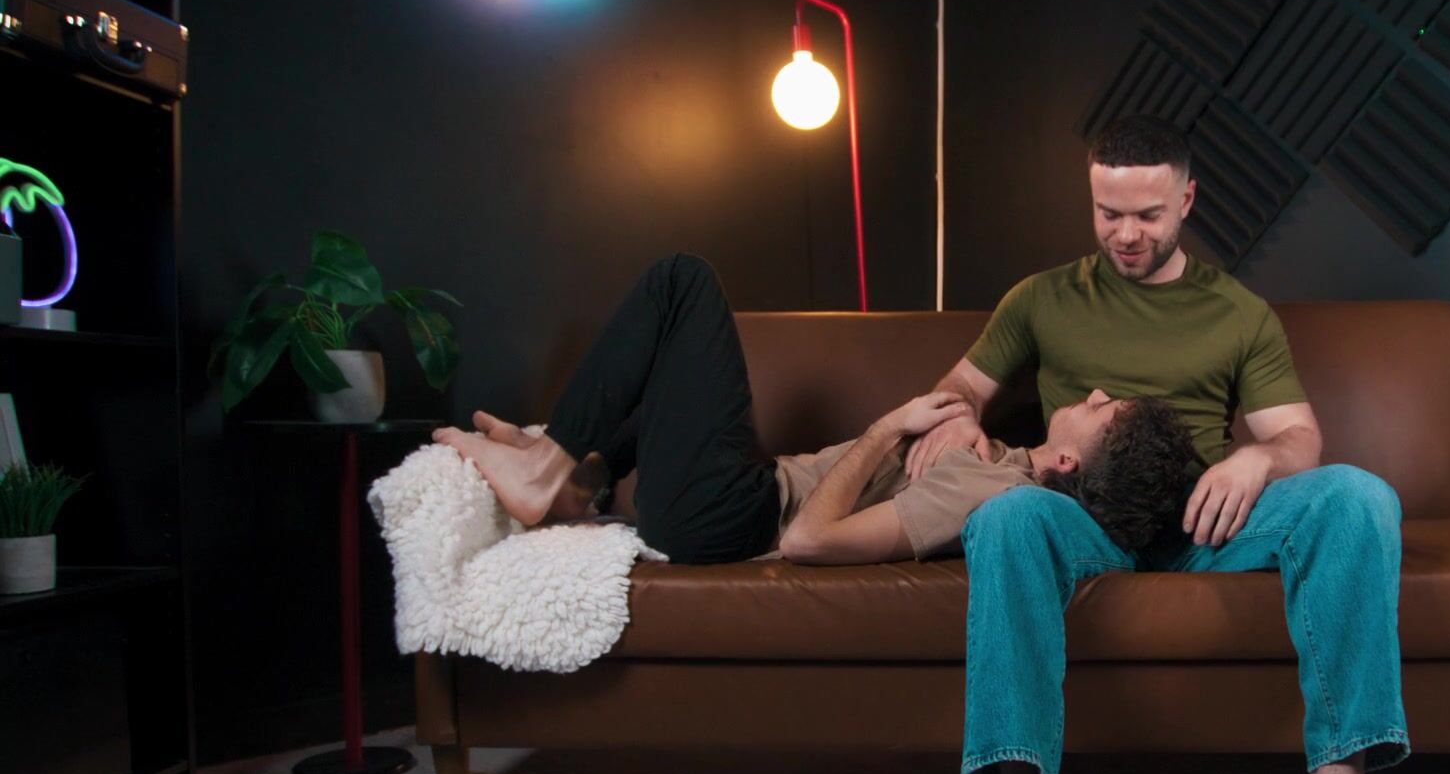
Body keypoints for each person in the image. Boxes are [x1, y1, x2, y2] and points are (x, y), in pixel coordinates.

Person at [915, 114, 1417, 774]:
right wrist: (961, 414)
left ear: (1186, 200)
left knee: (1359, 497)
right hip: (1084, 523)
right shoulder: (1041, 298)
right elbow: (959, 387)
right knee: (1006, 515)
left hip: (1204, 528)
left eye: (1147, 215)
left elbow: (1300, 436)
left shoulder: (1238, 312)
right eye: (1108, 213)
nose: (1126, 234)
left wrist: (1257, 458)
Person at [431, 252, 1201, 566]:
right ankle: (578, 478)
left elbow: (806, 540)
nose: (1093, 394)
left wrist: (887, 426)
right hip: (730, 499)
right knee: (670, 362)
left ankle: (544, 469)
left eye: (1105, 410)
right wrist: (956, 416)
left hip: (730, 516)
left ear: (1066, 461)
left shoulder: (991, 490)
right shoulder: (996, 464)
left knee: (681, 282)